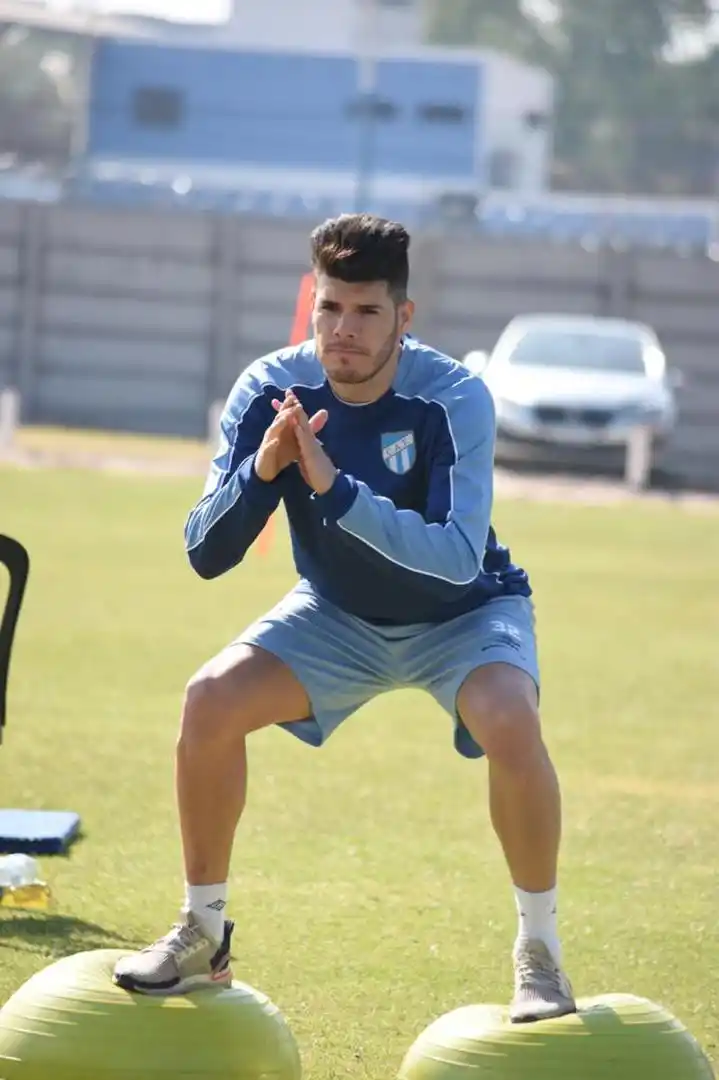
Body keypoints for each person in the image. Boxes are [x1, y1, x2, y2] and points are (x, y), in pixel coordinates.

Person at [113, 213, 575, 1023]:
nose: (343, 331)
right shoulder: (269, 389)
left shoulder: (453, 397)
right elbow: (204, 552)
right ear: (311, 303)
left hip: (462, 614)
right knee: (208, 701)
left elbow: (456, 557)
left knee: (509, 717)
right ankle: (202, 928)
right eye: (329, 308)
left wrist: (336, 491)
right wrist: (263, 470)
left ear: (404, 315)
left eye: (365, 312)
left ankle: (538, 953)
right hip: (335, 614)